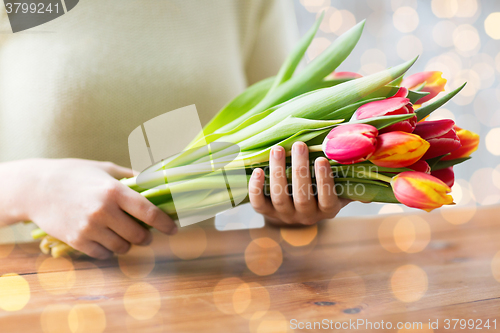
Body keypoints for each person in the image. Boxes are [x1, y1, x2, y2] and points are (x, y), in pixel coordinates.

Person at [0, 0, 347, 259]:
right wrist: (32, 187)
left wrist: (293, 209)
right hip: (31, 293)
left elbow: (285, 143)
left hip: (200, 293)